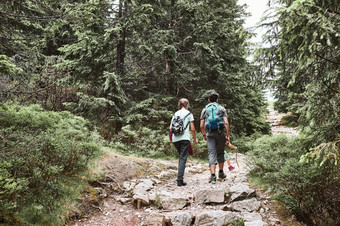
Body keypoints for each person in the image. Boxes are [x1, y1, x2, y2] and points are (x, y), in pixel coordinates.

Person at [200, 92, 230, 184]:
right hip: (220, 133)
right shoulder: (221, 108)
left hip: (209, 133)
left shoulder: (205, 110)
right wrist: (227, 135)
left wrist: (204, 135)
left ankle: (213, 177)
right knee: (220, 152)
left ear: (209, 100)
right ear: (217, 100)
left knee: (211, 153)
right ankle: (220, 173)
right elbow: (226, 123)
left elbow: (201, 125)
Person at [170, 98, 197, 186]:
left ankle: (180, 178)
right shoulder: (189, 114)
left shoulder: (175, 114)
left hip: (175, 139)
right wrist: (194, 139)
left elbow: (170, 128)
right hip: (184, 138)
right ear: (187, 105)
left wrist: (172, 138)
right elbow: (192, 128)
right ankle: (179, 180)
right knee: (182, 158)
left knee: (181, 157)